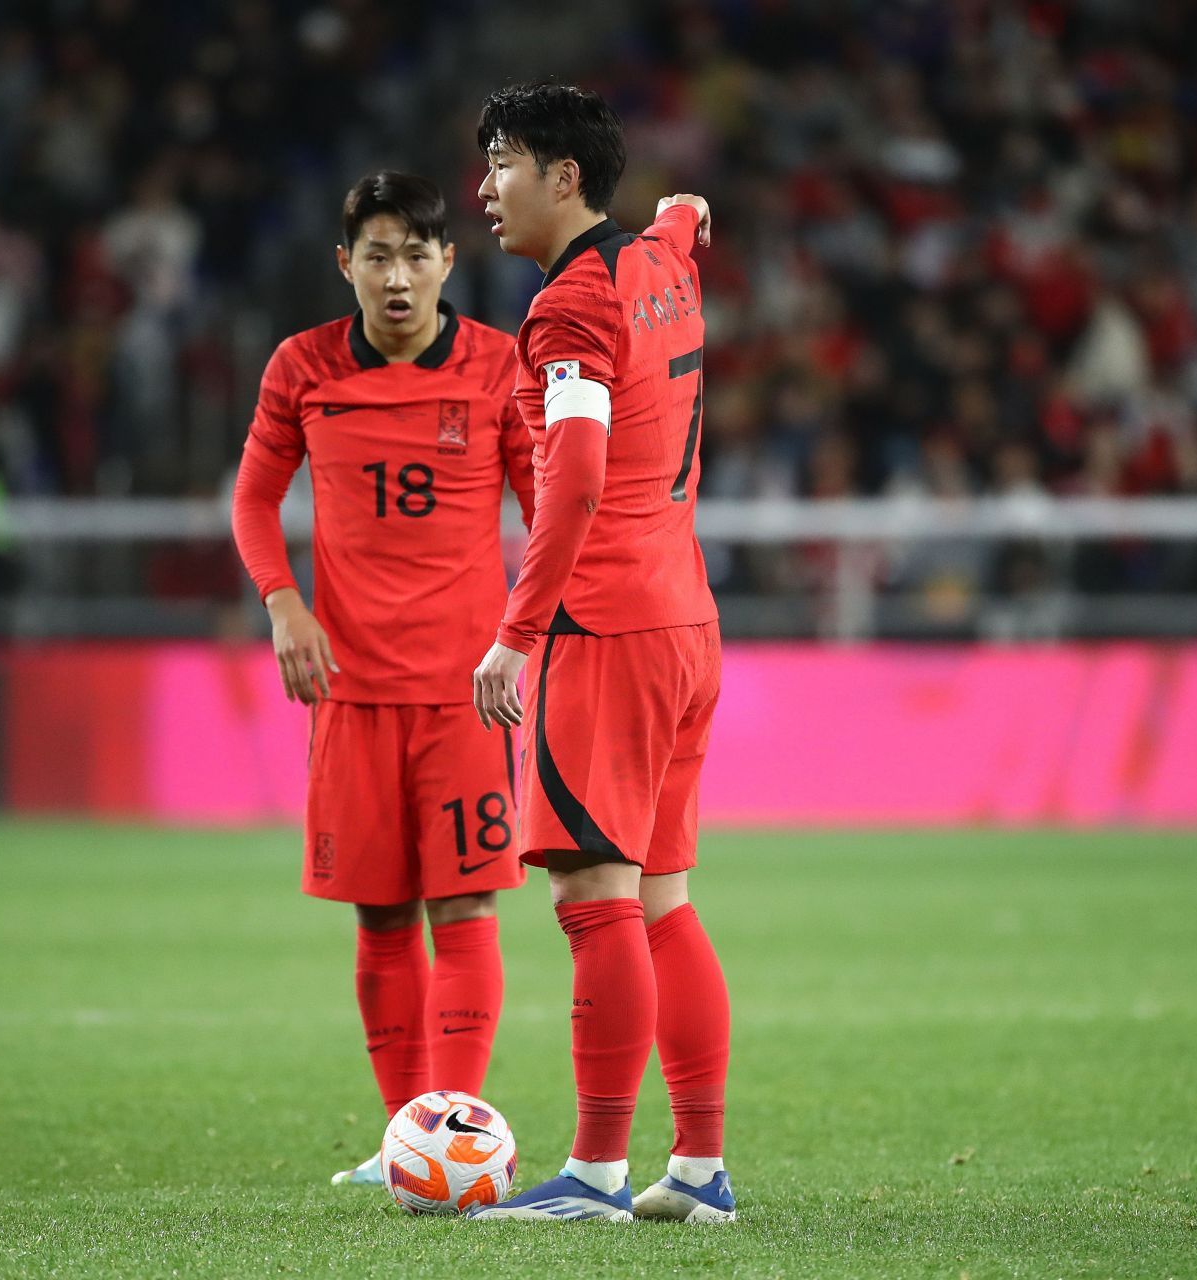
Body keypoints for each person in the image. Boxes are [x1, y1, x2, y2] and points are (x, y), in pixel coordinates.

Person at [230, 171, 536, 1186]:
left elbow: (551, 512)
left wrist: (530, 636)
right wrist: (282, 601)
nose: (397, 277)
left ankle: (454, 1131)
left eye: (416, 255)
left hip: (467, 693)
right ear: (345, 263)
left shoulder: (498, 368)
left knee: (465, 909)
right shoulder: (302, 367)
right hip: (351, 693)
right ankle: (405, 1138)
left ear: (450, 262)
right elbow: (252, 500)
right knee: (381, 915)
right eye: (377, 255)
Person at [464, 82, 733, 1224]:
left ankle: (596, 1170)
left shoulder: (568, 309)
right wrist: (683, 211)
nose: (484, 189)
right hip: (687, 621)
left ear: (563, 177)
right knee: (664, 898)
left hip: (607, 625)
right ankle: (702, 1169)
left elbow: (570, 475)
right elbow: (676, 228)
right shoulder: (660, 266)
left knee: (593, 894)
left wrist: (517, 634)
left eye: (503, 166)